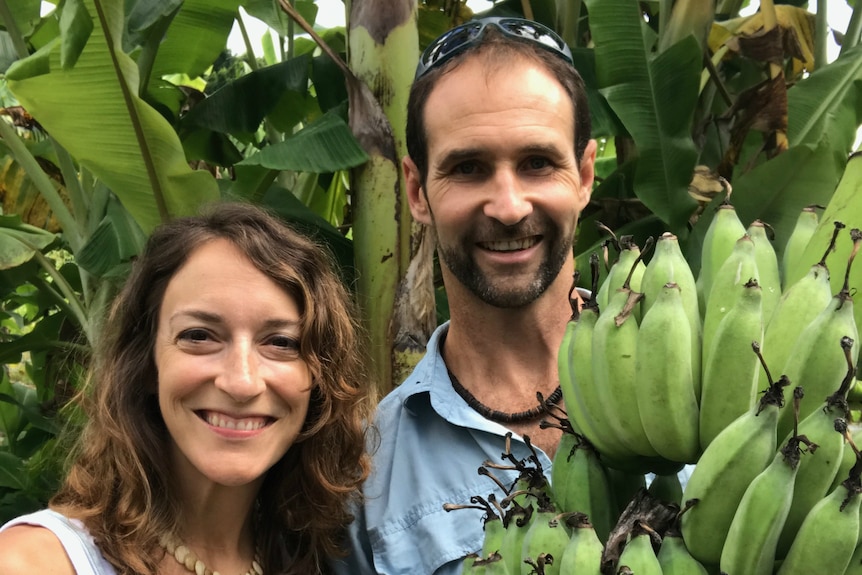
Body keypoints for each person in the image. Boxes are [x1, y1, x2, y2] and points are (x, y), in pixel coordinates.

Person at [330, 16, 598, 575]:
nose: (508, 207)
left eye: (537, 163)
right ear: (416, 190)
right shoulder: (367, 477)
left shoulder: (712, 392)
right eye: (469, 168)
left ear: (586, 175)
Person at [0, 202, 375, 575]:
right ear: (147, 365)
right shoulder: (37, 561)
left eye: (281, 342)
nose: (241, 382)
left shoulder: (313, 558)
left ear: (318, 377)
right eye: (199, 336)